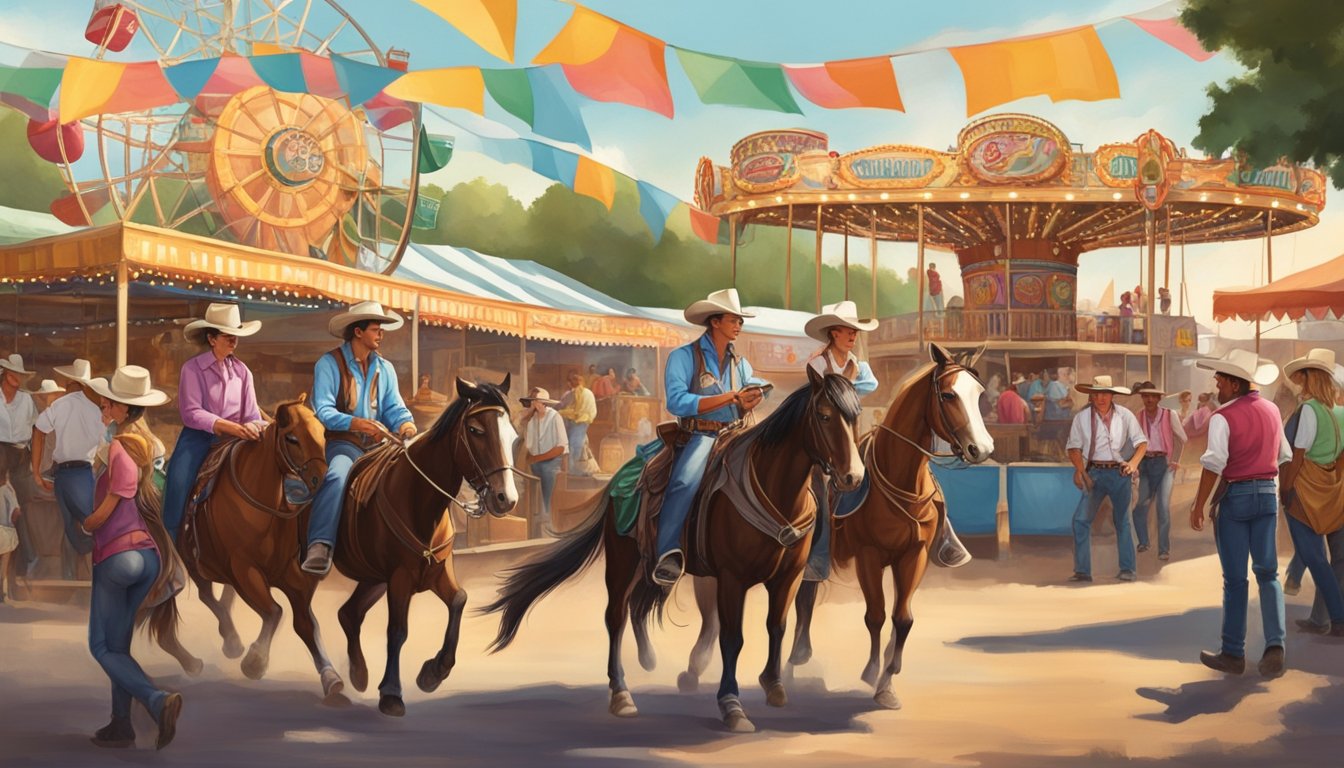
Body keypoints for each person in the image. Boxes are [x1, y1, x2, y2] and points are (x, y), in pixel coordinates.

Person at [81, 365, 184, 749]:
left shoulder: (120, 446)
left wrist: (89, 523)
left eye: (109, 402)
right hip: (149, 556)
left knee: (100, 646)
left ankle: (157, 701)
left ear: (124, 409)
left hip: (119, 554)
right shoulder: (150, 444)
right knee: (119, 646)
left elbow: (120, 491)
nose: (103, 406)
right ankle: (120, 723)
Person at [653, 288, 767, 586]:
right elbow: (676, 401)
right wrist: (729, 397)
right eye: (734, 319)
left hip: (737, 433)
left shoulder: (741, 364)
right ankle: (667, 553)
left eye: (740, 320)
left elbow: (748, 393)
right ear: (715, 322)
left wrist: (751, 398)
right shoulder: (683, 357)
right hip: (700, 435)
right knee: (684, 481)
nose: (739, 325)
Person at [1189, 349, 1291, 678]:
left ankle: (1233, 652)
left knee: (1235, 580)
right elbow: (1284, 454)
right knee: (1268, 573)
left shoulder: (1223, 416)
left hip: (1237, 495)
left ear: (1234, 384)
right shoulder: (1273, 410)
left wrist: (1199, 504)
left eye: (1220, 380)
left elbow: (1215, 463)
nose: (1216, 385)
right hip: (1267, 494)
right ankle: (1275, 645)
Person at [306, 301, 417, 575]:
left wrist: (406, 426)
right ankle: (320, 543)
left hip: (379, 447)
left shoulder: (385, 368)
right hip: (345, 443)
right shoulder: (328, 364)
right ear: (358, 332)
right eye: (376, 330)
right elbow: (323, 409)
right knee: (336, 476)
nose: (381, 335)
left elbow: (394, 407)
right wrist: (356, 423)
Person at [162, 303, 266, 542]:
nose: (233, 342)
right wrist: (229, 427)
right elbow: (191, 412)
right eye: (227, 337)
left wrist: (257, 426)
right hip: (199, 437)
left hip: (236, 436)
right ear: (211, 338)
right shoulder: (192, 369)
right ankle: (171, 541)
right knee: (179, 482)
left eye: (235, 337)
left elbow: (251, 413)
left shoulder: (243, 372)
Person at [1276, 349, 1344, 636]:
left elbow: (1297, 455)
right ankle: (1324, 618)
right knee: (1329, 559)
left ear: (1309, 377)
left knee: (1314, 556)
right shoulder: (1334, 412)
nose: (1295, 381)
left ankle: (1339, 618)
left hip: (1305, 488)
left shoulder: (1308, 410)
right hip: (1330, 488)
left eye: (1300, 375)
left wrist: (1286, 488)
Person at [1066, 375, 1147, 583]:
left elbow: (1142, 443)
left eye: (1105, 394)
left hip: (1120, 473)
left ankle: (1128, 569)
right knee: (1080, 520)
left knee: (1123, 521)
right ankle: (1083, 571)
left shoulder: (1126, 415)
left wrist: (1133, 464)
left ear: (1112, 395)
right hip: (1094, 472)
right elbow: (1073, 448)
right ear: (1091, 396)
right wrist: (1080, 471)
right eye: (1097, 394)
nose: (1101, 398)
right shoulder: (1081, 418)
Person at [32, 358, 104, 573]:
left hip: (65, 474)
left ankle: (84, 575)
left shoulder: (61, 404)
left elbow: (39, 431)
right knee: (84, 525)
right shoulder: (99, 406)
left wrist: (36, 472)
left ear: (72, 381)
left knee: (78, 526)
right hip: (84, 472)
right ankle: (86, 575)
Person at [1129, 382, 1188, 561]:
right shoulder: (1138, 416)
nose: (1149, 399)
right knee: (1140, 506)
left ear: (1159, 398)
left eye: (1153, 396)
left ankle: (1163, 548)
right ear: (1142, 397)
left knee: (1162, 506)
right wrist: (1135, 465)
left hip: (1164, 463)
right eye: (1146, 396)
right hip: (1145, 463)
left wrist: (1176, 460)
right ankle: (1144, 542)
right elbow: (1133, 442)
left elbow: (1182, 438)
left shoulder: (1169, 415)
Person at [519, 387, 567, 537]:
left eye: (538, 402)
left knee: (547, 492)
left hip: (552, 462)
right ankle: (533, 528)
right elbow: (530, 447)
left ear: (545, 403)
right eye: (534, 402)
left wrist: (537, 458)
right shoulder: (532, 421)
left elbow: (560, 447)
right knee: (526, 487)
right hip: (535, 463)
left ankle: (549, 528)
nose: (535, 405)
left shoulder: (555, 417)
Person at [557, 371, 597, 477]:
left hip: (580, 421)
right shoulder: (582, 392)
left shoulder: (578, 392)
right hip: (581, 421)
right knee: (576, 445)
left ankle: (572, 469)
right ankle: (573, 469)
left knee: (575, 445)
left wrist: (561, 412)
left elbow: (575, 410)